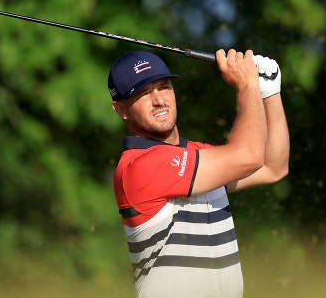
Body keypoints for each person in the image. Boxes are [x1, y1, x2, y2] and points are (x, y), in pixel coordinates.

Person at [107, 49, 289, 297]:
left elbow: (272, 167)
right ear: (121, 109)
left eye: (164, 87)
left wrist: (269, 93)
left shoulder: (195, 155)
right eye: (143, 93)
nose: (159, 100)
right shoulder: (139, 166)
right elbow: (250, 156)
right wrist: (247, 85)